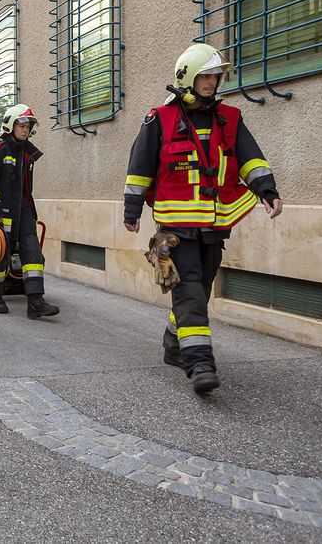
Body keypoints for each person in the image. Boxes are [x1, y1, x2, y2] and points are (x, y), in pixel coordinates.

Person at [123, 42, 282, 395]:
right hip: (176, 227)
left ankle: (173, 342)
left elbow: (249, 159)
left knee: (201, 288)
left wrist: (267, 190)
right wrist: (131, 212)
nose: (213, 82)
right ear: (187, 78)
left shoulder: (230, 117)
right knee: (190, 289)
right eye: (206, 76)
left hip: (214, 225)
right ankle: (199, 363)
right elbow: (139, 169)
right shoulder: (160, 119)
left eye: (216, 76)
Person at [0, 104, 60, 319]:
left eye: (28, 126)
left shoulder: (27, 151)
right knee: (1, 253)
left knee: (33, 253)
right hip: (2, 212)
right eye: (22, 125)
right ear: (10, 126)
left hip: (24, 211)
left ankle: (35, 301)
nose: (26, 130)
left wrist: (30, 212)